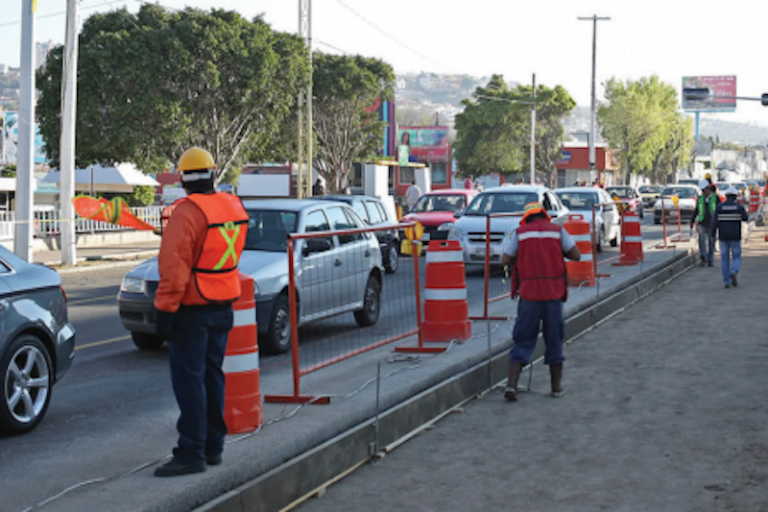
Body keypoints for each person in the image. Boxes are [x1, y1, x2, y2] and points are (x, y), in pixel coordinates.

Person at [153, 147, 249, 477]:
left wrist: (164, 309)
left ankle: (191, 452)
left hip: (192, 310)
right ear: (213, 172)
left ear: (182, 179)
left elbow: (174, 267)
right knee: (212, 377)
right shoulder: (232, 205)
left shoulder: (187, 212)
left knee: (189, 382)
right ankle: (213, 447)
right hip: (224, 304)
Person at [501, 202, 581, 402]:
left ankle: (511, 385)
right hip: (553, 294)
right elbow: (576, 254)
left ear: (526, 217)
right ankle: (556, 387)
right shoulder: (557, 231)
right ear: (544, 215)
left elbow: (505, 259)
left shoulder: (520, 233)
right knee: (554, 338)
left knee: (523, 337)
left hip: (529, 295)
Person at [711, 186, 748, 289]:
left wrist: (713, 236)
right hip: (735, 236)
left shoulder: (719, 207)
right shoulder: (739, 207)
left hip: (723, 237)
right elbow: (746, 218)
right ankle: (734, 271)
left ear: (726, 196)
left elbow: (714, 223)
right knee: (736, 257)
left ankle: (726, 282)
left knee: (724, 259)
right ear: (735, 196)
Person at [691, 179, 720, 267]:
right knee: (701, 241)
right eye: (702, 191)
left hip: (712, 224)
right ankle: (703, 257)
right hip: (702, 223)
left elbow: (720, 210)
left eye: (704, 190)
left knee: (711, 242)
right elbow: (696, 210)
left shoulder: (715, 198)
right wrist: (692, 220)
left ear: (708, 189)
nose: (703, 192)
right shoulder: (700, 198)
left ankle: (710, 260)